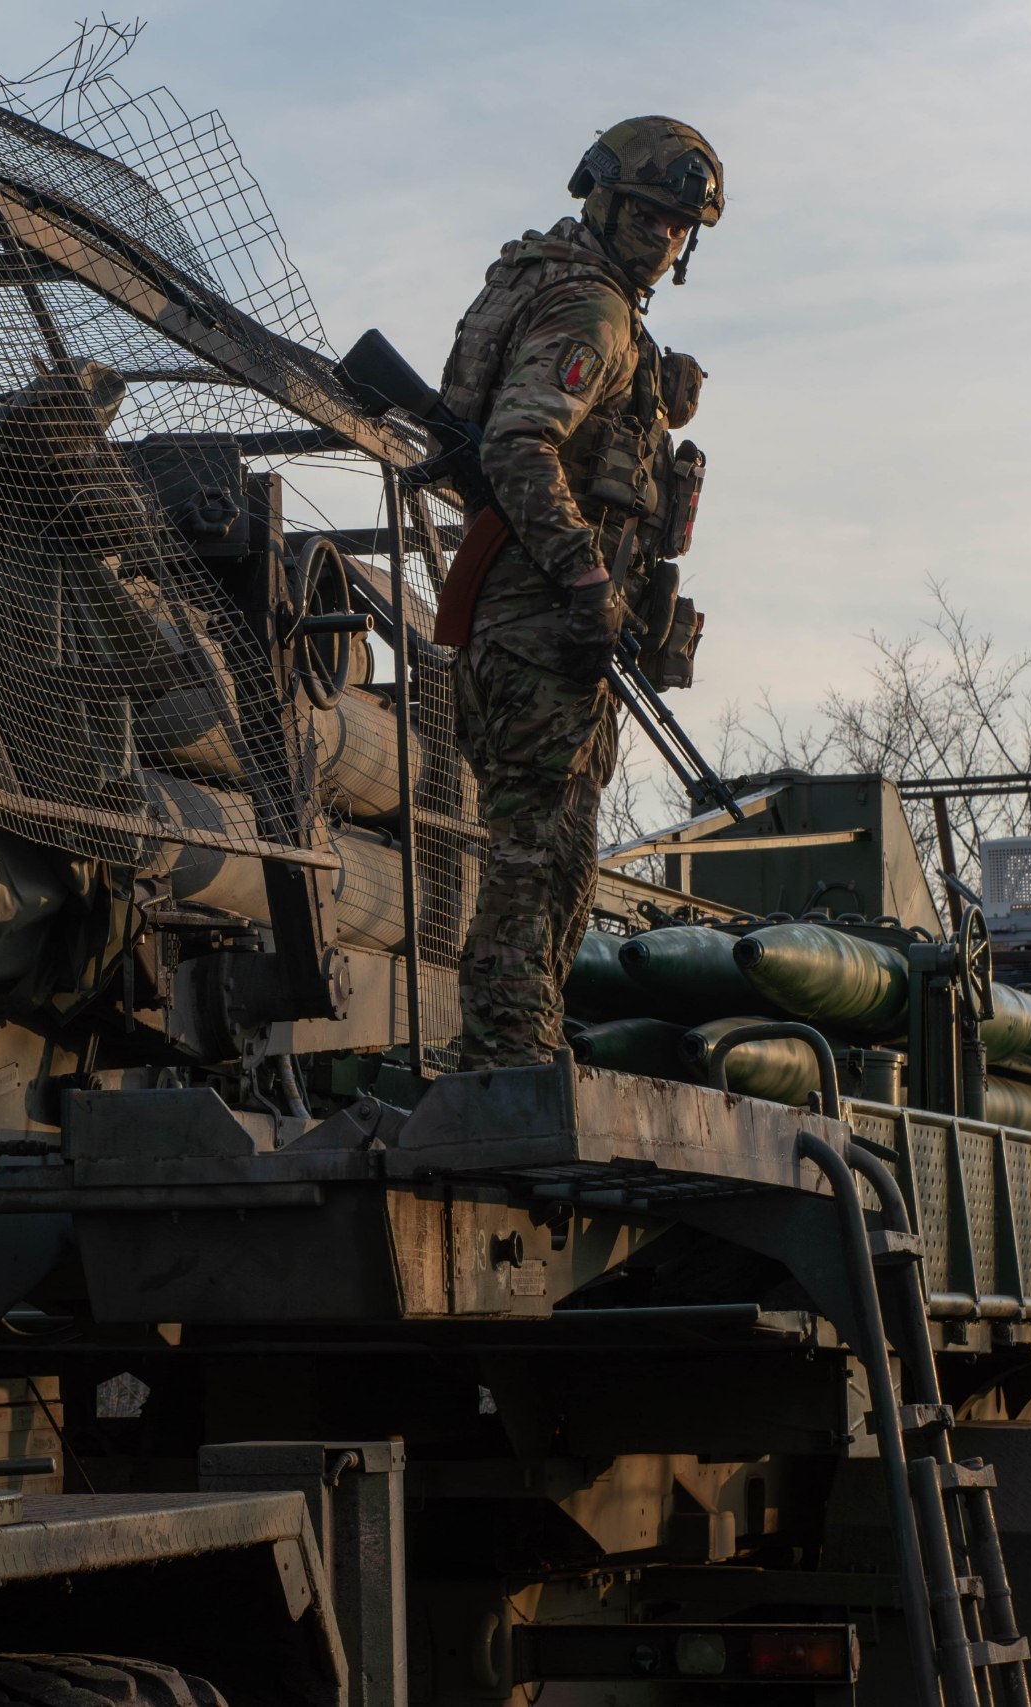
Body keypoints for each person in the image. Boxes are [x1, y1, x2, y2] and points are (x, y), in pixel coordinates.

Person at [438, 117, 725, 1067]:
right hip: (538, 630)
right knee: (531, 863)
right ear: (602, 201)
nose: (665, 240)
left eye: (680, 227)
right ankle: (506, 1061)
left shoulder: (575, 297)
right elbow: (519, 444)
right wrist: (586, 574)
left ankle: (526, 1046)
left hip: (552, 633)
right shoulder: (592, 314)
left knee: (561, 862)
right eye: (649, 216)